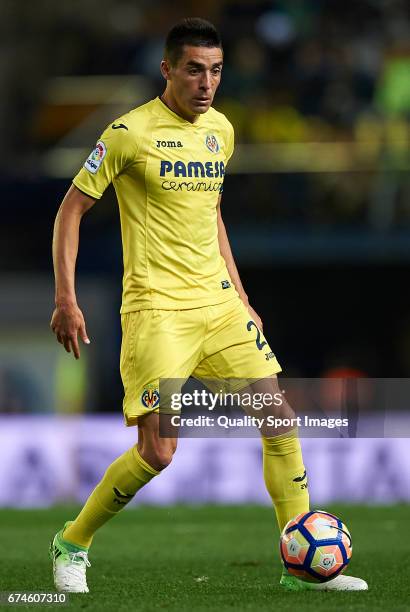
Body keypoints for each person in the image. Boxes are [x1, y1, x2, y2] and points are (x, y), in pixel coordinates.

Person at [49, 18, 367, 593]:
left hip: (218, 306)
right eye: (194, 69)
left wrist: (242, 298)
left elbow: (212, 216)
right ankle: (72, 542)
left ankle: (304, 568)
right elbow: (70, 211)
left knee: (280, 423)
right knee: (158, 452)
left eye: (216, 70)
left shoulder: (221, 129)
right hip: (156, 311)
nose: (207, 83)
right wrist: (66, 298)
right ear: (167, 69)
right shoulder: (128, 133)